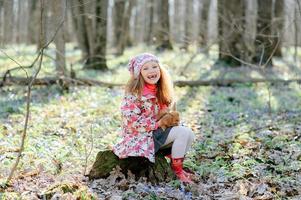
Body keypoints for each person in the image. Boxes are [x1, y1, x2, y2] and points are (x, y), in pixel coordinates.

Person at [112, 53, 195, 183]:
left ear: (160, 70)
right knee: (183, 133)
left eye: (154, 66)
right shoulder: (134, 94)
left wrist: (168, 119)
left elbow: (164, 114)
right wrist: (158, 123)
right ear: (139, 74)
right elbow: (131, 122)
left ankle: (177, 166)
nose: (151, 71)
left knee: (189, 134)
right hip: (140, 138)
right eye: (145, 68)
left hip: (155, 134)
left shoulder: (160, 90)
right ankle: (177, 172)